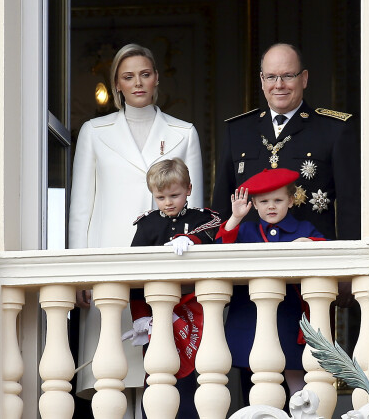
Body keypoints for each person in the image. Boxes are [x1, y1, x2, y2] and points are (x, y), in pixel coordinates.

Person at [68, 43, 204, 411]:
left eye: (145, 74)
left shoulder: (183, 132)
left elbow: (196, 215)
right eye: (128, 76)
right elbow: (82, 207)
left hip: (165, 266)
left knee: (159, 375)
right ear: (117, 85)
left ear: (157, 78)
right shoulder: (94, 132)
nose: (138, 82)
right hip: (108, 262)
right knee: (111, 377)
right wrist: (80, 274)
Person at [212, 43, 360, 241]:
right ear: (262, 80)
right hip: (249, 260)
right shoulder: (238, 130)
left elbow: (350, 206)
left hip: (313, 259)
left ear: (304, 78)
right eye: (271, 77)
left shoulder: (334, 130)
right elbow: (221, 204)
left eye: (288, 76)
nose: (279, 84)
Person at [215, 168, 325, 405]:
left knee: (295, 371)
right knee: (254, 375)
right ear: (253, 204)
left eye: (278, 200)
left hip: (288, 313)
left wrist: (309, 243)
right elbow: (220, 247)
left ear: (291, 200)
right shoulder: (246, 229)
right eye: (263, 201)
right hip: (250, 313)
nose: (271, 206)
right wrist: (235, 217)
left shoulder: (303, 229)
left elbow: (325, 248)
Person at [125, 158, 221, 419]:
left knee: (198, 374)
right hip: (157, 313)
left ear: (189, 189)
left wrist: (191, 239)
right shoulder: (147, 225)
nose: (168, 202)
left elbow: (216, 230)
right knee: (158, 374)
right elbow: (136, 277)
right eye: (160, 197)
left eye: (175, 195)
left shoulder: (203, 219)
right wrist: (140, 317)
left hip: (195, 311)